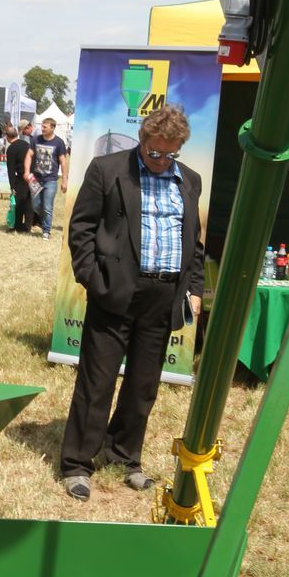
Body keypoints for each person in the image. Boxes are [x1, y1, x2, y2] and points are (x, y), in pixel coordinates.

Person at [60, 105, 204, 501]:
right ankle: (77, 463)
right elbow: (81, 229)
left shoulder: (189, 181)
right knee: (97, 381)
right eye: (155, 152)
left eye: (170, 154)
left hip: (163, 296)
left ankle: (125, 456)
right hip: (116, 291)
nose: (161, 161)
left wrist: (193, 287)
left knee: (143, 386)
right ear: (142, 140)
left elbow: (194, 243)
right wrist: (94, 278)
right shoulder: (108, 170)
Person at [25, 116, 68, 239]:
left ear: (52, 128)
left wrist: (64, 180)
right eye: (42, 126)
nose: (42, 129)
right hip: (35, 179)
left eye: (45, 127)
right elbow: (29, 155)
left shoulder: (58, 142)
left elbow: (63, 161)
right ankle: (45, 222)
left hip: (51, 180)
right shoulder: (36, 140)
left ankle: (46, 231)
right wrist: (27, 172)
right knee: (35, 205)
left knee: (47, 206)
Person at [5, 125, 32, 233]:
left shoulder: (11, 149)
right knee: (29, 202)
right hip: (31, 176)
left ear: (7, 136)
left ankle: (18, 226)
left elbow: (10, 169)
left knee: (19, 202)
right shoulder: (26, 144)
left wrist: (12, 186)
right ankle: (28, 225)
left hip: (21, 177)